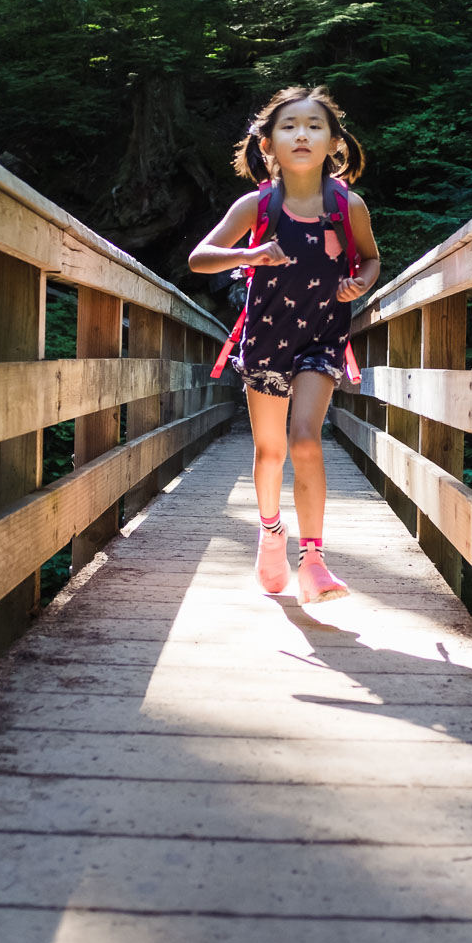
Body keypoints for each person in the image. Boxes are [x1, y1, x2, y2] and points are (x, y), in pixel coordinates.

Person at [189, 87, 381, 603]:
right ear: (268, 143)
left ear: (334, 143)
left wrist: (360, 282)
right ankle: (271, 531)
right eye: (289, 125)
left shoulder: (347, 205)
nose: (302, 133)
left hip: (322, 339)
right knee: (270, 451)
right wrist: (249, 256)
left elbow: (370, 259)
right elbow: (200, 257)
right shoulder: (257, 205)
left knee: (304, 440)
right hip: (266, 340)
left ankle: (314, 560)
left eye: (315, 125)